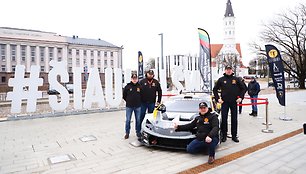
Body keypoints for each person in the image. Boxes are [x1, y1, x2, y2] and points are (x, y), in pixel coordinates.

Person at [213, 65, 246, 143]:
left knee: (234, 119)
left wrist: (241, 97)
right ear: (225, 70)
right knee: (224, 119)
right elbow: (215, 90)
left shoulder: (236, 79)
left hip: (234, 102)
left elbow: (243, 88)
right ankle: (224, 135)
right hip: (224, 102)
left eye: (230, 69)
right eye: (227, 69)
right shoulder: (221, 80)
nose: (228, 71)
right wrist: (218, 99)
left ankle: (234, 135)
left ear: (232, 71)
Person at [123, 73, 142, 139]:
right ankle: (127, 133)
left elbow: (142, 96)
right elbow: (124, 96)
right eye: (133, 78)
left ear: (137, 79)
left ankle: (138, 132)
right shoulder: (127, 86)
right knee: (128, 120)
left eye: (135, 78)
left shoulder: (140, 86)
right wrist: (128, 101)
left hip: (138, 106)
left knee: (138, 120)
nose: (134, 80)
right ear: (131, 79)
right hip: (129, 106)